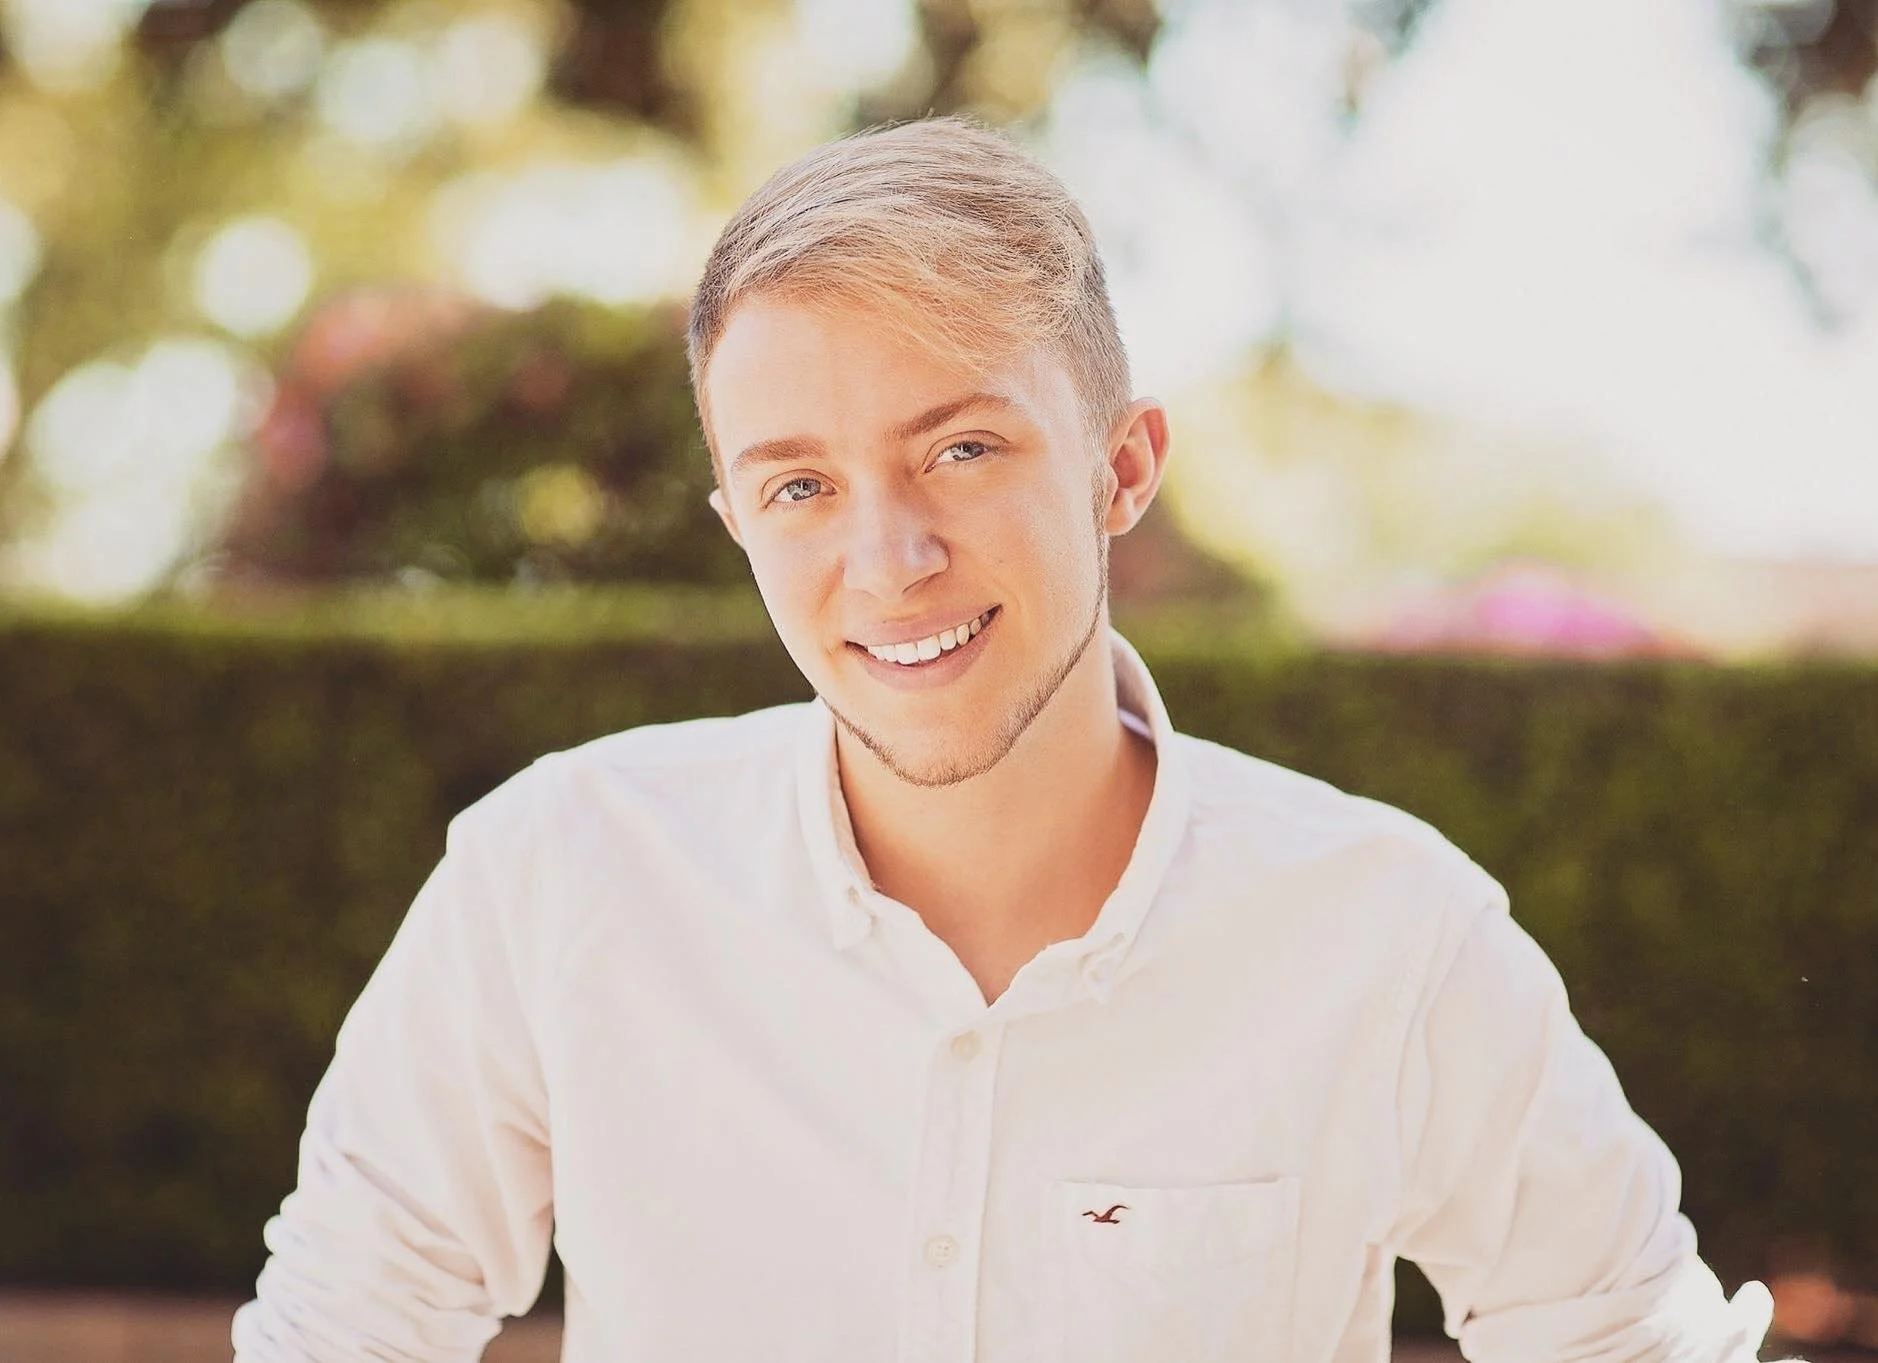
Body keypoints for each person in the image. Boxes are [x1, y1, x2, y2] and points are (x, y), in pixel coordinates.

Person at [233, 116, 1783, 1363]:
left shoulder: (1388, 929)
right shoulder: (556, 875)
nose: (887, 557)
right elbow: (346, 1324)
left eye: (961, 447)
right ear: (736, 521)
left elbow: (1623, 1336)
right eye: (797, 486)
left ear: (1123, 466)